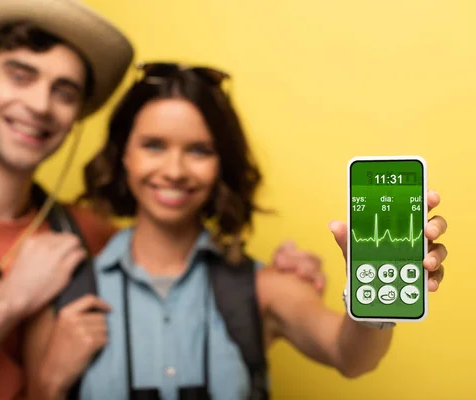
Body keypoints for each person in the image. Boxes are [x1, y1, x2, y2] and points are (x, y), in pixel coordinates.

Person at [0, 2, 328, 399]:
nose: (40, 104)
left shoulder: (85, 236)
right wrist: (12, 298)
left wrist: (287, 275)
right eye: (21, 76)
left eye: (65, 92)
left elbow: (175, 262)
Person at [26, 63, 448, 399]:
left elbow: (351, 358)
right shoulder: (68, 290)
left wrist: (377, 296)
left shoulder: (264, 287)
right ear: (123, 156)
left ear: (221, 164)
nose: (174, 171)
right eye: (154, 145)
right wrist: (49, 383)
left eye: (199, 150)